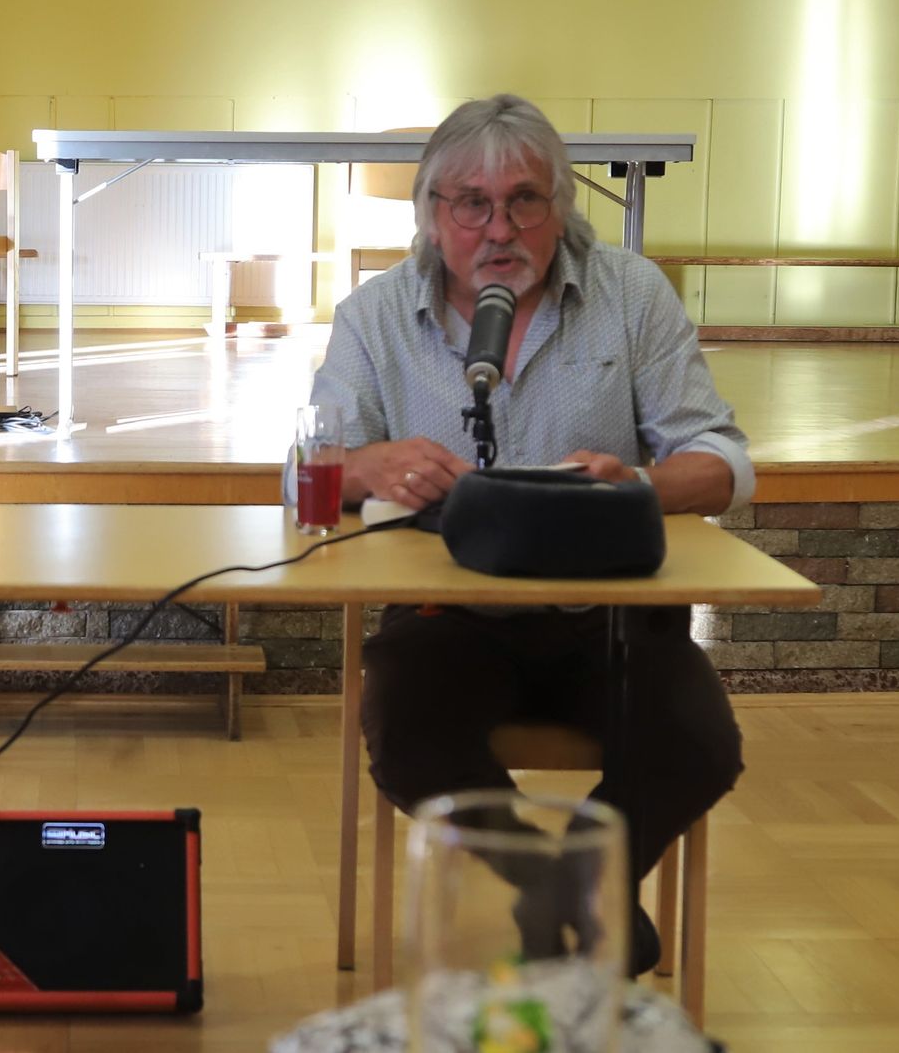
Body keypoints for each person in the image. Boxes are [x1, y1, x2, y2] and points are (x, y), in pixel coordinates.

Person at [310, 93, 755, 973]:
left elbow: (724, 464)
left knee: (699, 741)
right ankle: (556, 892)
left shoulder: (631, 293)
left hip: (612, 616)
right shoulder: (374, 314)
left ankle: (575, 892)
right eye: (471, 204)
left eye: (525, 201)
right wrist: (369, 466)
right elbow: (314, 469)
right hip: (446, 621)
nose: (499, 229)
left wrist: (638, 483)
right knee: (408, 736)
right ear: (430, 216)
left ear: (561, 208)